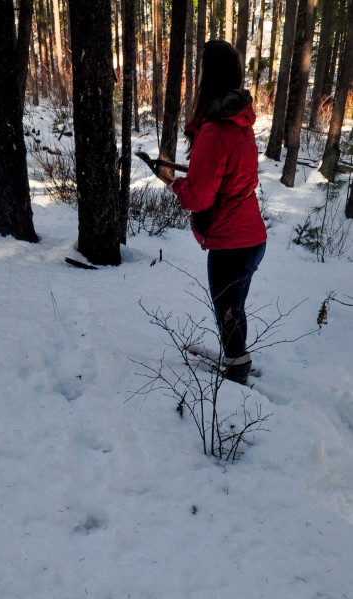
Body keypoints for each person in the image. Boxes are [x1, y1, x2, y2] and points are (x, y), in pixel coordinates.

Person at [158, 40, 267, 385]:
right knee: (233, 306)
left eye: (201, 71)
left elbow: (199, 198)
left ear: (208, 77)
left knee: (228, 310)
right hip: (250, 238)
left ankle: (236, 370)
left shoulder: (215, 130)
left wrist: (172, 183)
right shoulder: (238, 122)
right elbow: (223, 177)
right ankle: (238, 357)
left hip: (231, 244)